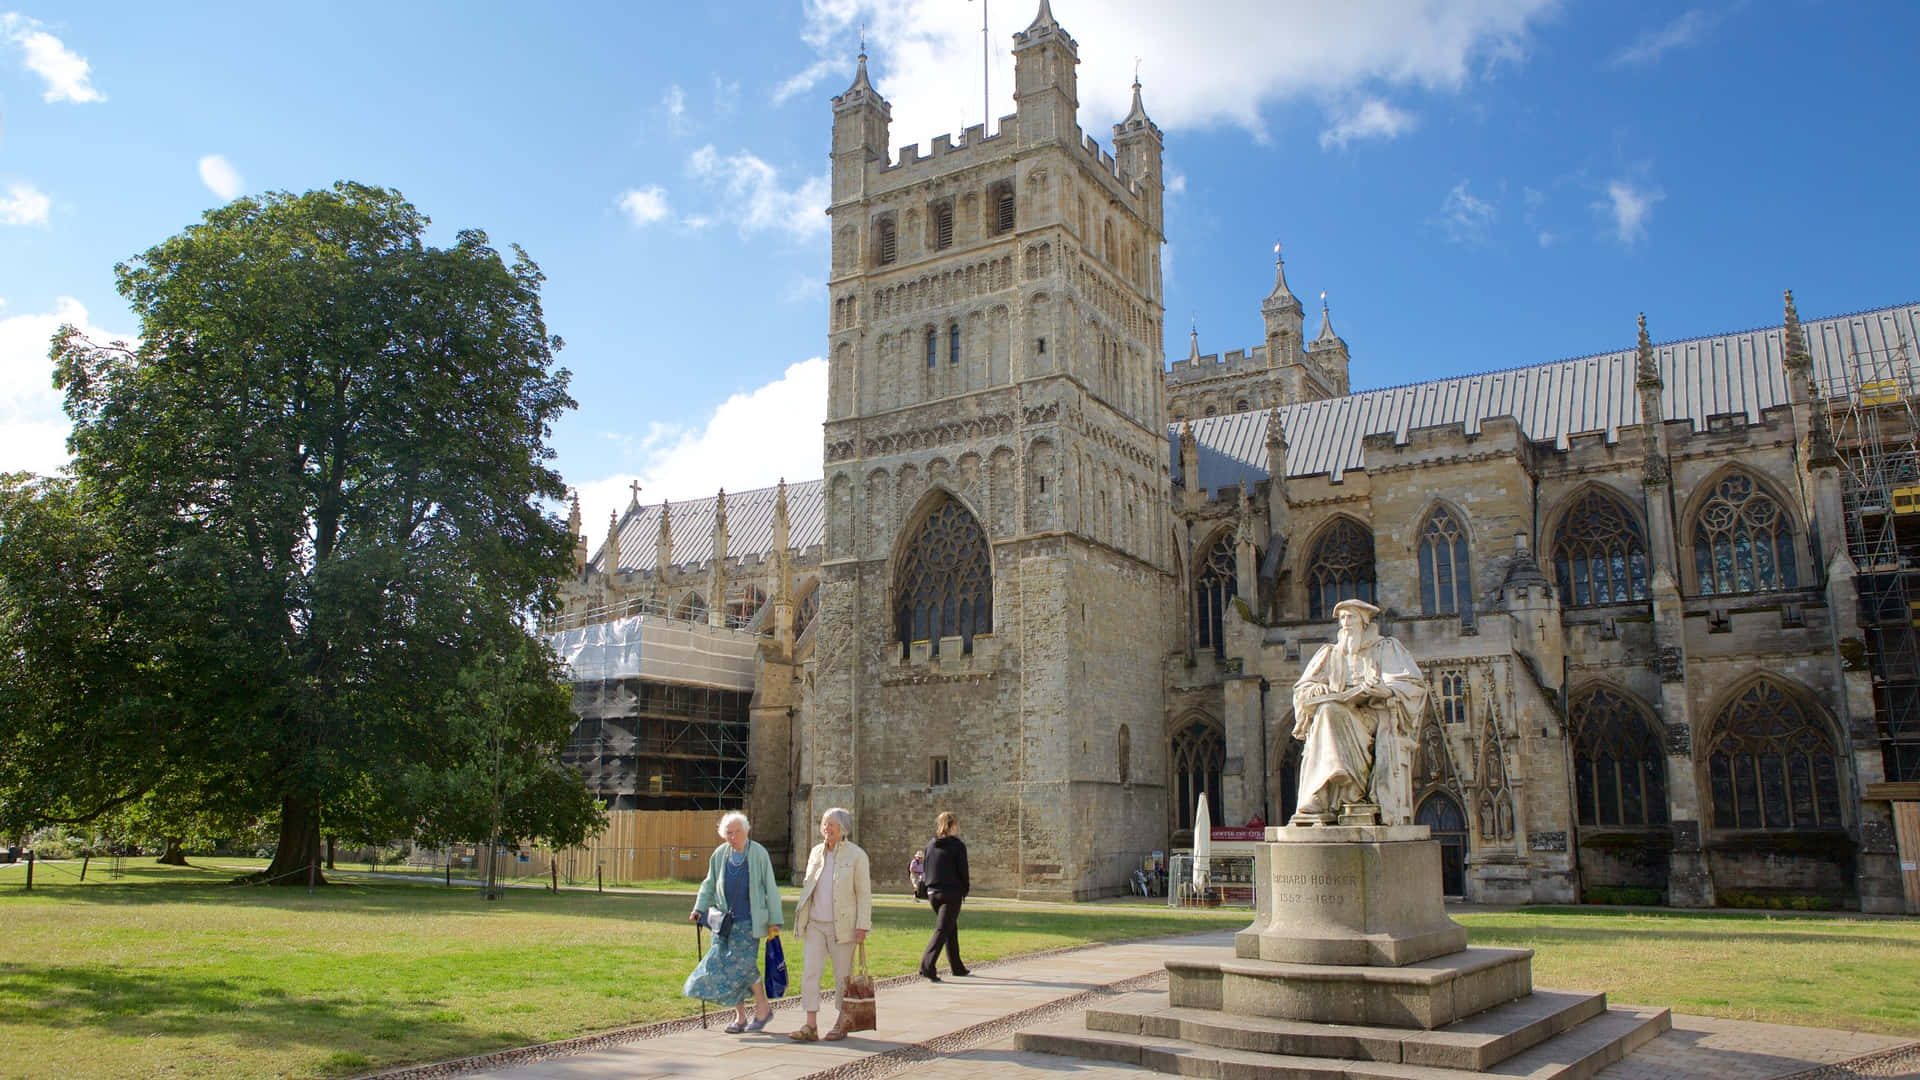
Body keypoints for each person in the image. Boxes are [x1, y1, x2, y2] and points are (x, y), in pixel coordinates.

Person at [1290, 598, 1428, 826]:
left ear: (1363, 621)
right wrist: (1316, 688)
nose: (1345, 622)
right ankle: (1329, 793)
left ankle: (1339, 792)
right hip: (1339, 712)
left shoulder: (1386, 647)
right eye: (1342, 618)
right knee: (1328, 710)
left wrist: (1383, 690)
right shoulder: (1330, 653)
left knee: (1330, 713)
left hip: (1373, 715)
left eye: (1350, 617)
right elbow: (1302, 688)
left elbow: (1411, 684)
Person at [685, 811, 784, 1033]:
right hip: (723, 923)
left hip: (749, 921)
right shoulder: (720, 854)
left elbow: (770, 887)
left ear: (746, 831)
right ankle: (740, 1017)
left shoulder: (758, 853)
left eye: (737, 831)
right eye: (729, 832)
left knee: (745, 966)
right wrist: (698, 908)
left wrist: (774, 920)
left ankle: (763, 1008)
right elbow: (709, 883)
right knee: (724, 967)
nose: (733, 836)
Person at [788, 807, 872, 1042]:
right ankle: (810, 1024)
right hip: (815, 922)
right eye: (824, 824)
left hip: (842, 926)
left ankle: (841, 1022)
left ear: (843, 828)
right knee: (810, 972)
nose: (826, 828)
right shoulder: (815, 852)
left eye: (831, 824)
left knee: (842, 976)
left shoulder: (856, 856)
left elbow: (864, 894)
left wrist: (862, 925)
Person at [918, 811, 970, 981]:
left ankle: (957, 967)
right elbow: (963, 870)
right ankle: (927, 966)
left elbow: (925, 868)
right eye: (956, 824)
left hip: (933, 892)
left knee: (950, 928)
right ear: (952, 825)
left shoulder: (930, 845)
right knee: (942, 929)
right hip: (951, 893)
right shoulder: (957, 845)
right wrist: (965, 889)